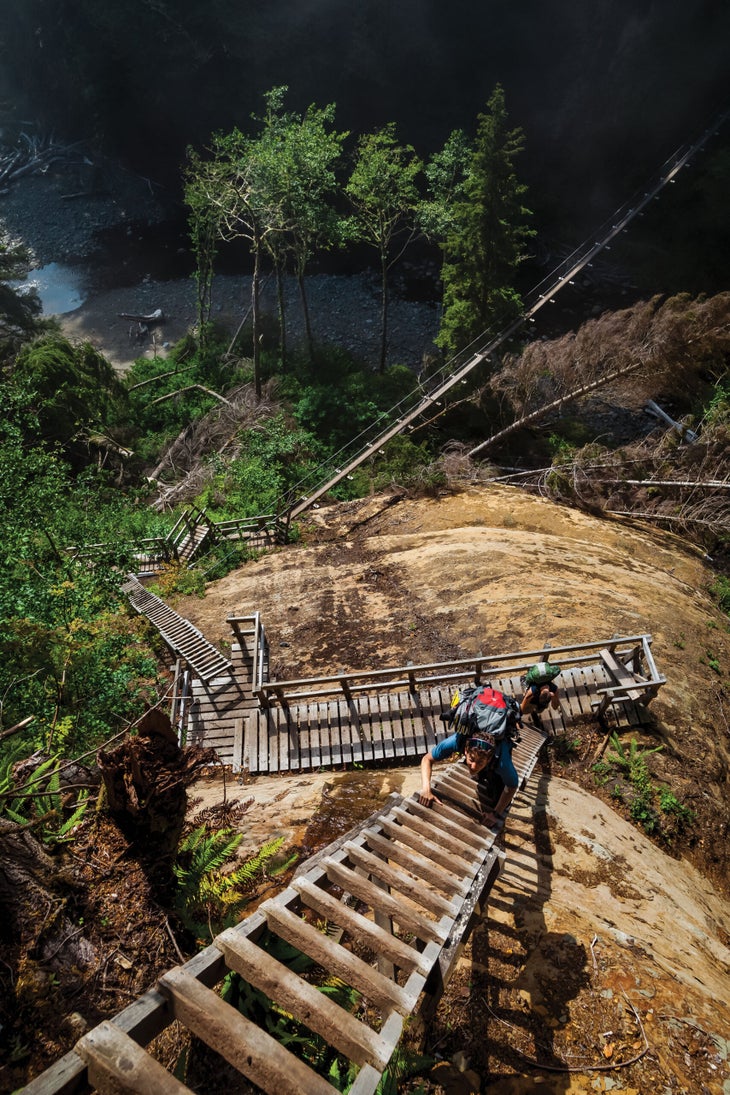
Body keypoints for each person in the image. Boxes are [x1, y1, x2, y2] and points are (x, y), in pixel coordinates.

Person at [419, 731, 519, 828]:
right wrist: (426, 789)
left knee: (499, 799)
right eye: (471, 759)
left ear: (489, 759)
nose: (474, 766)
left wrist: (495, 813)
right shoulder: (457, 741)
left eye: (480, 762)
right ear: (466, 750)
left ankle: (483, 771)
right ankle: (480, 770)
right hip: (478, 756)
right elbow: (427, 759)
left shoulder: (502, 763)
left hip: (496, 762)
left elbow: (512, 785)